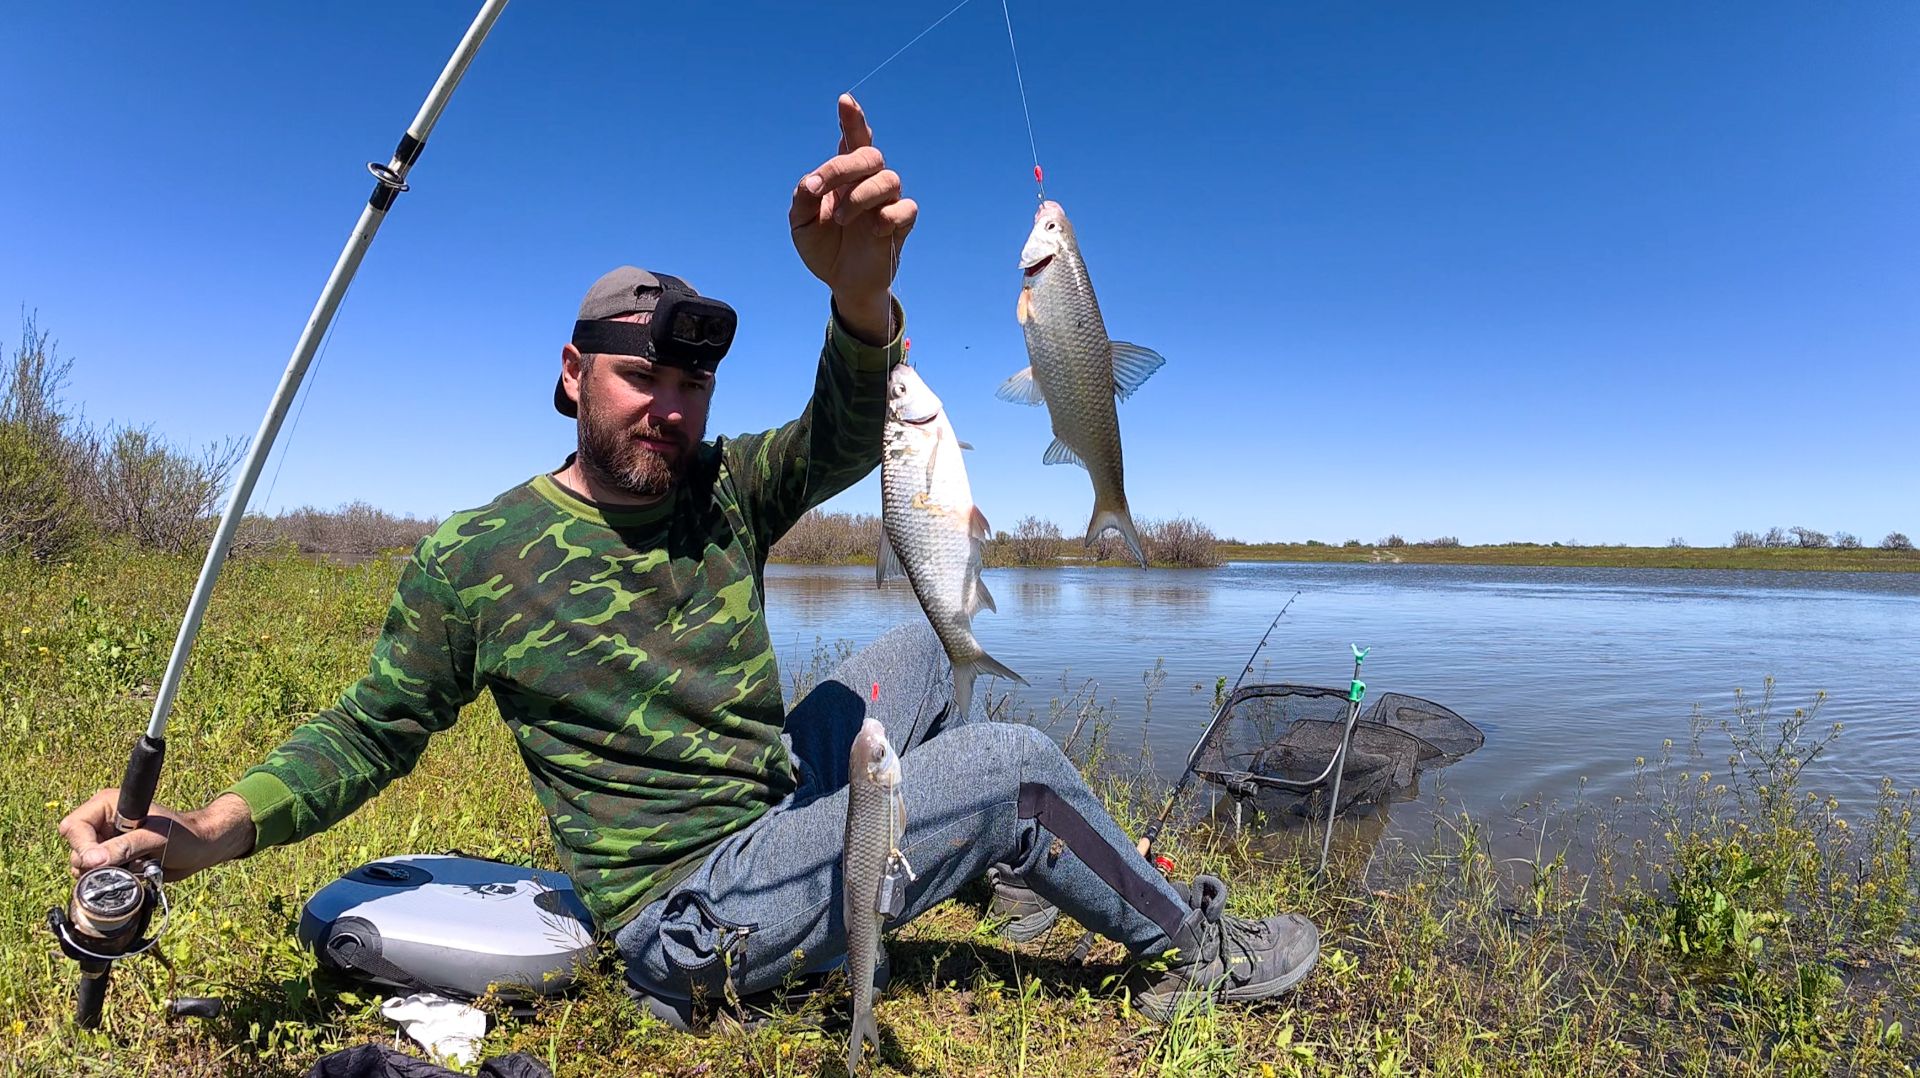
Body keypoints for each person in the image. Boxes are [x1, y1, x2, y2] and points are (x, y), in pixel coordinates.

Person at [57, 94, 1318, 1028]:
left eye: (692, 382)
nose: (670, 406)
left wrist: (860, 303)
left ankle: (954, 858)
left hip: (772, 803)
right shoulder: (480, 556)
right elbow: (368, 732)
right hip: (687, 913)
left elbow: (841, 433)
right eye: (640, 375)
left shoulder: (720, 488)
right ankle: (1193, 950)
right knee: (1017, 769)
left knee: (931, 658)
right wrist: (203, 831)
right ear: (571, 376)